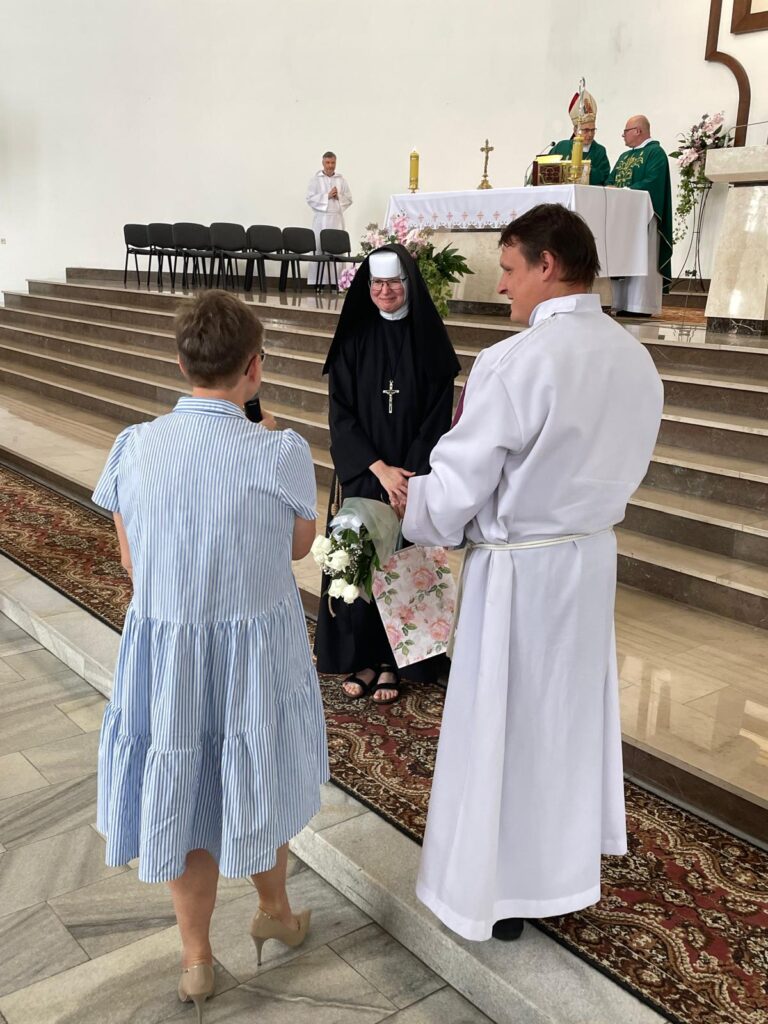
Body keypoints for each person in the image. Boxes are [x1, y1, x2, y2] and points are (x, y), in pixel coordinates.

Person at [402, 204, 663, 943]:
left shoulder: (514, 361)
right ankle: (559, 874)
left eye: (510, 270)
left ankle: (501, 891)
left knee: (506, 725)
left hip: (519, 573)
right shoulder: (635, 359)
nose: (503, 287)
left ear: (548, 265)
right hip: (589, 560)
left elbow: (460, 486)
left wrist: (413, 504)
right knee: (564, 722)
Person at [92, 291, 328, 1019]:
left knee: (184, 787)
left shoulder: (135, 445)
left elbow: (131, 561)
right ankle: (276, 912)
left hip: (169, 654)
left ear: (180, 362)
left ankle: (197, 957)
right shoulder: (280, 450)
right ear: (255, 367)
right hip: (253, 653)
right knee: (255, 773)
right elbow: (299, 547)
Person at [314, 245, 460, 704]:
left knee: (403, 562)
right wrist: (379, 469)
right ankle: (361, 658)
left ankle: (396, 662)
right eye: (376, 283)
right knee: (359, 561)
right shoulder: (353, 339)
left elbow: (437, 417)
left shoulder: (429, 341)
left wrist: (409, 477)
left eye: (393, 282)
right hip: (365, 473)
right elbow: (340, 413)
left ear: (409, 283)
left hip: (413, 476)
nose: (384, 290)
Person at [607, 115, 673, 316]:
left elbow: (654, 181)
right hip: (623, 217)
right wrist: (610, 188)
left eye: (625, 131)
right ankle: (620, 303)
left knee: (643, 255)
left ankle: (641, 306)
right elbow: (611, 180)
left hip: (644, 217)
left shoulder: (656, 153)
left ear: (638, 130)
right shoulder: (624, 156)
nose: (623, 136)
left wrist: (625, 191)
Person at [305, 151, 353, 286]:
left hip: (337, 220)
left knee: (337, 250)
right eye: (328, 162)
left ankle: (336, 282)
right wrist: (327, 196)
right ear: (323, 163)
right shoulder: (315, 180)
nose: (330, 165)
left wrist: (339, 197)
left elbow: (349, 199)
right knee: (320, 248)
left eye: (333, 163)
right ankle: (318, 282)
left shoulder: (341, 180)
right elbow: (310, 199)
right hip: (321, 220)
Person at [550, 89, 610, 185]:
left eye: (593, 130)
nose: (590, 134)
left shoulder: (599, 151)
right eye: (586, 130)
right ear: (575, 131)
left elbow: (604, 178)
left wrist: (584, 170)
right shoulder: (561, 147)